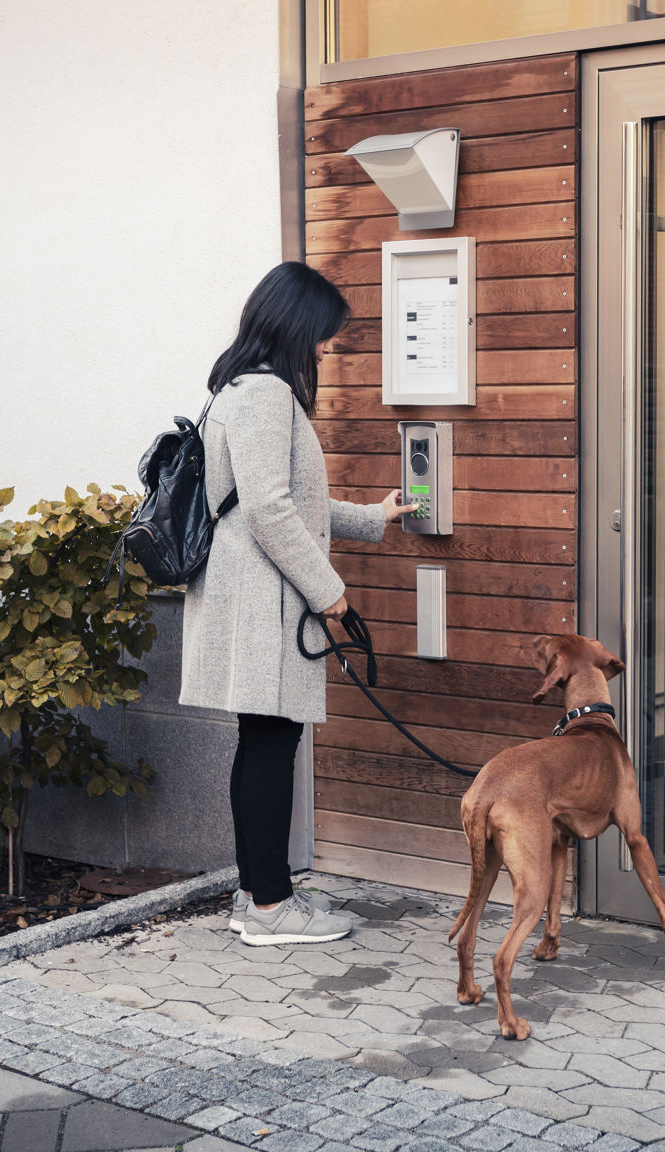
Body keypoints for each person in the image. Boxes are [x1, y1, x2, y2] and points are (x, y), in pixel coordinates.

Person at [179, 262, 415, 945]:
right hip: (262, 599)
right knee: (271, 746)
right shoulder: (264, 394)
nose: (326, 348)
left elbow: (288, 501)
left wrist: (371, 517)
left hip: (252, 593)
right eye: (323, 334)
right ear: (296, 325)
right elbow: (269, 510)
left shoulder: (240, 388)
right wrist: (329, 591)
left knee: (261, 743)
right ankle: (271, 908)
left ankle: (255, 893)